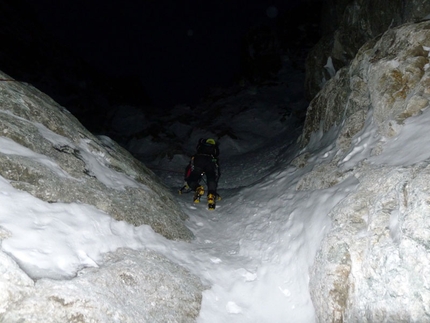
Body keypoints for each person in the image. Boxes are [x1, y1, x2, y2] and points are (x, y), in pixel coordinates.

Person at [184, 138, 220, 210]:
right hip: (210, 160)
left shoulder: (201, 145)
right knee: (211, 176)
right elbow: (216, 155)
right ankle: (211, 194)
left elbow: (189, 169)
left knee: (194, 175)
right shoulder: (214, 148)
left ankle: (197, 187)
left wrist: (186, 179)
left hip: (198, 159)